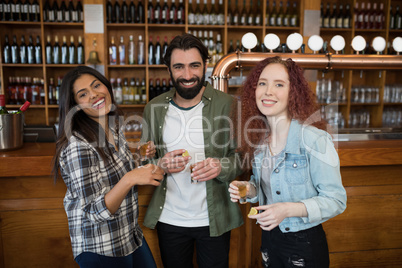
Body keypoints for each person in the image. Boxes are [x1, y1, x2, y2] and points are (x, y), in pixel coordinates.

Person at [228, 56, 347, 268]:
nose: (268, 91)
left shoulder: (314, 139)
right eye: (262, 83)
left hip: (304, 243)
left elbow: (336, 200)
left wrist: (287, 209)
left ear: (293, 93)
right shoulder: (258, 139)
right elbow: (262, 186)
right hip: (270, 239)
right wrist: (249, 189)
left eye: (279, 84)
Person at [140, 33, 243, 268]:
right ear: (169, 70)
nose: (187, 75)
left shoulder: (229, 105)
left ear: (205, 65)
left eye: (194, 66)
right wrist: (159, 165)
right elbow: (143, 160)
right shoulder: (153, 108)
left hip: (215, 219)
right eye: (179, 67)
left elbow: (243, 158)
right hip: (170, 219)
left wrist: (221, 166)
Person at [51, 66, 164, 268]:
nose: (94, 94)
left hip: (128, 235)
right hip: (101, 246)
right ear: (74, 105)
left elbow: (112, 172)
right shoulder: (78, 146)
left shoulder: (111, 126)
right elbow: (93, 212)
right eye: (83, 94)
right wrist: (131, 177)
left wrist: (140, 158)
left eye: (96, 85)